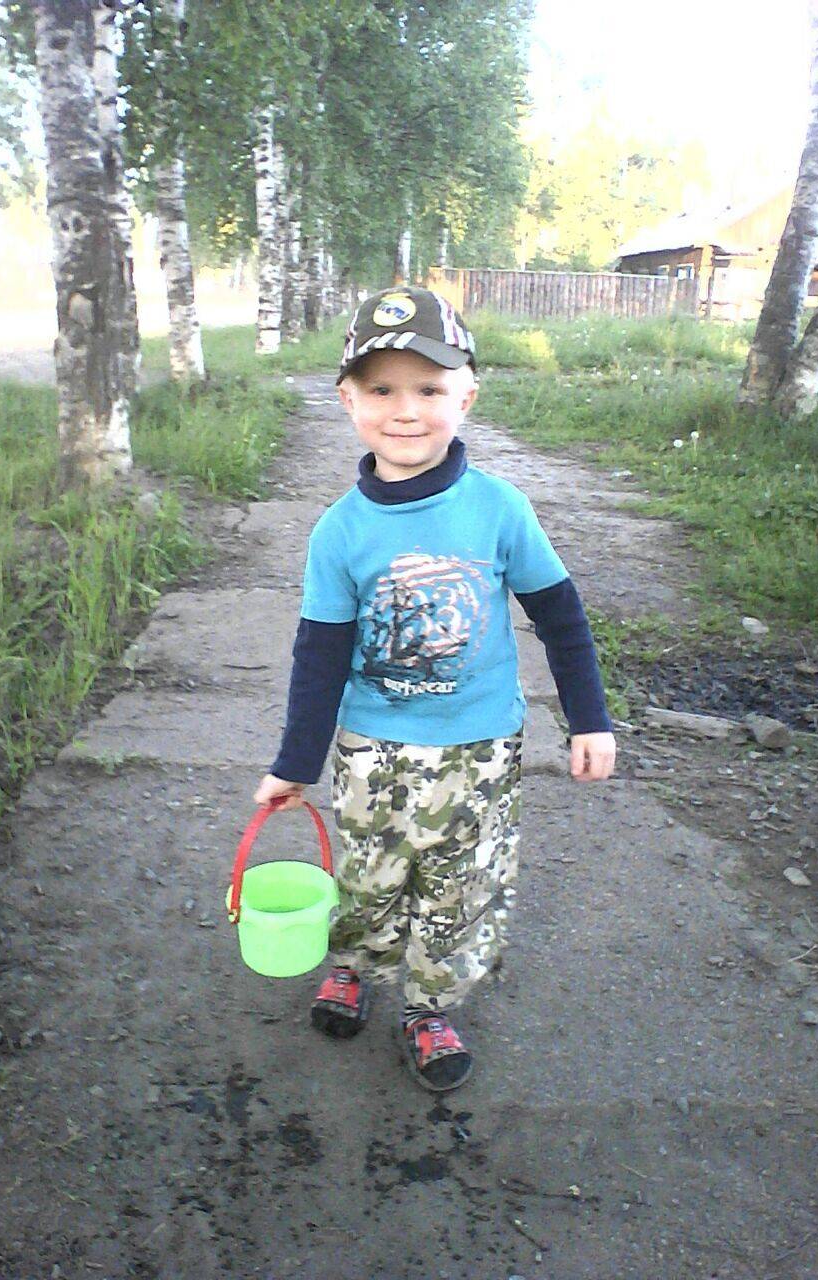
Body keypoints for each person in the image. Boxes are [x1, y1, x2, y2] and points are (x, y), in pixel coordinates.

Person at [253, 285, 615, 1092]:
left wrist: (589, 719)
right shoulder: (339, 531)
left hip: (479, 748)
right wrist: (295, 764)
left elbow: (561, 618)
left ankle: (430, 1006)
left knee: (459, 881)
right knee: (370, 871)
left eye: (429, 388)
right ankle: (355, 965)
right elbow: (320, 656)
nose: (406, 410)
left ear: (467, 396)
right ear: (348, 400)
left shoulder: (499, 509)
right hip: (370, 748)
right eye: (381, 389)